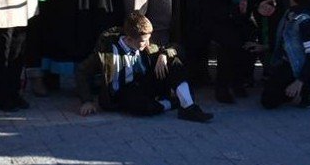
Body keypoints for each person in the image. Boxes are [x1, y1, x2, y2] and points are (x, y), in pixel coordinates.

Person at [77, 12, 212, 121]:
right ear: (129, 39)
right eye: (143, 41)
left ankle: (188, 107)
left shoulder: (146, 45)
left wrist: (163, 55)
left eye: (149, 38)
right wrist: (86, 101)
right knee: (141, 107)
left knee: (174, 62)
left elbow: (177, 48)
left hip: (146, 82)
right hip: (125, 91)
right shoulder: (106, 52)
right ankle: (171, 103)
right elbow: (82, 72)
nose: (147, 43)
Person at [203, 0, 276, 103]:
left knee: (249, 40)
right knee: (229, 41)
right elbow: (211, 4)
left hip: (247, 15)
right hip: (221, 16)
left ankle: (240, 81)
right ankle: (223, 86)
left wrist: (264, 5)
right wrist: (235, 10)